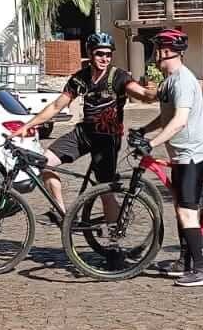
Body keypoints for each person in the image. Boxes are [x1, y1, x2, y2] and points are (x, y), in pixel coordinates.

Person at [15, 32, 154, 221]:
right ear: (90, 53)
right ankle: (62, 213)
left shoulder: (118, 76)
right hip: (84, 134)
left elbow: (141, 93)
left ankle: (115, 236)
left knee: (104, 190)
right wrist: (29, 125)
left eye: (108, 54)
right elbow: (57, 106)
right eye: (99, 53)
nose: (104, 58)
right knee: (44, 162)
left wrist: (155, 93)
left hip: (107, 139)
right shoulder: (81, 78)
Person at [138, 28, 203, 287]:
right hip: (181, 156)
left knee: (186, 210)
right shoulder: (169, 81)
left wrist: (151, 143)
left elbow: (179, 122)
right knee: (180, 208)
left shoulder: (183, 81)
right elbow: (165, 117)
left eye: (156, 50)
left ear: (165, 52)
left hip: (192, 155)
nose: (154, 56)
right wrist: (142, 131)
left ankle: (202, 269)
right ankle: (185, 261)